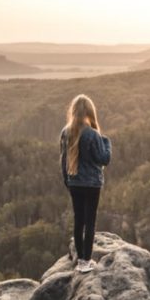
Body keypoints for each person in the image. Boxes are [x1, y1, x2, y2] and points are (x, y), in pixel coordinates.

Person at [60, 94, 112, 273]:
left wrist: (67, 181)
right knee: (90, 222)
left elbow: (63, 161)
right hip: (92, 184)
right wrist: (106, 142)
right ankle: (85, 261)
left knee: (78, 220)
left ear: (73, 112)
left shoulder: (66, 132)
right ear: (90, 112)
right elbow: (103, 159)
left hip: (74, 182)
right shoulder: (92, 134)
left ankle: (80, 261)